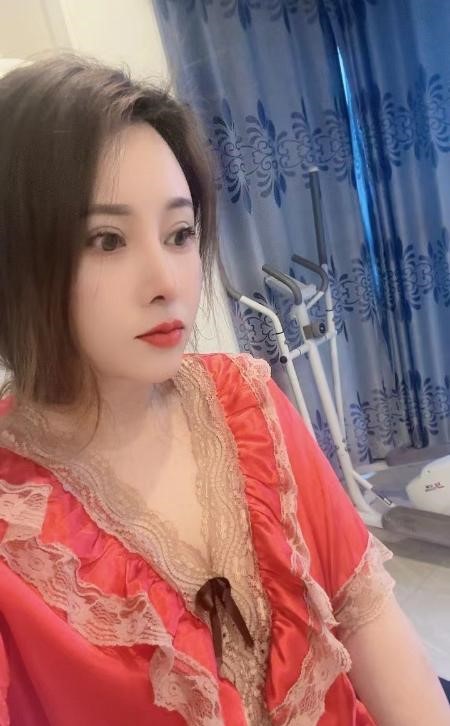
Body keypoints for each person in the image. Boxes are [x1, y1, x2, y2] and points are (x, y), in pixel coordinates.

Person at [0, 55, 448, 726]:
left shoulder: (247, 402)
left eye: (180, 233)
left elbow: (365, 615)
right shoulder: (17, 524)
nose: (167, 281)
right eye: (107, 240)